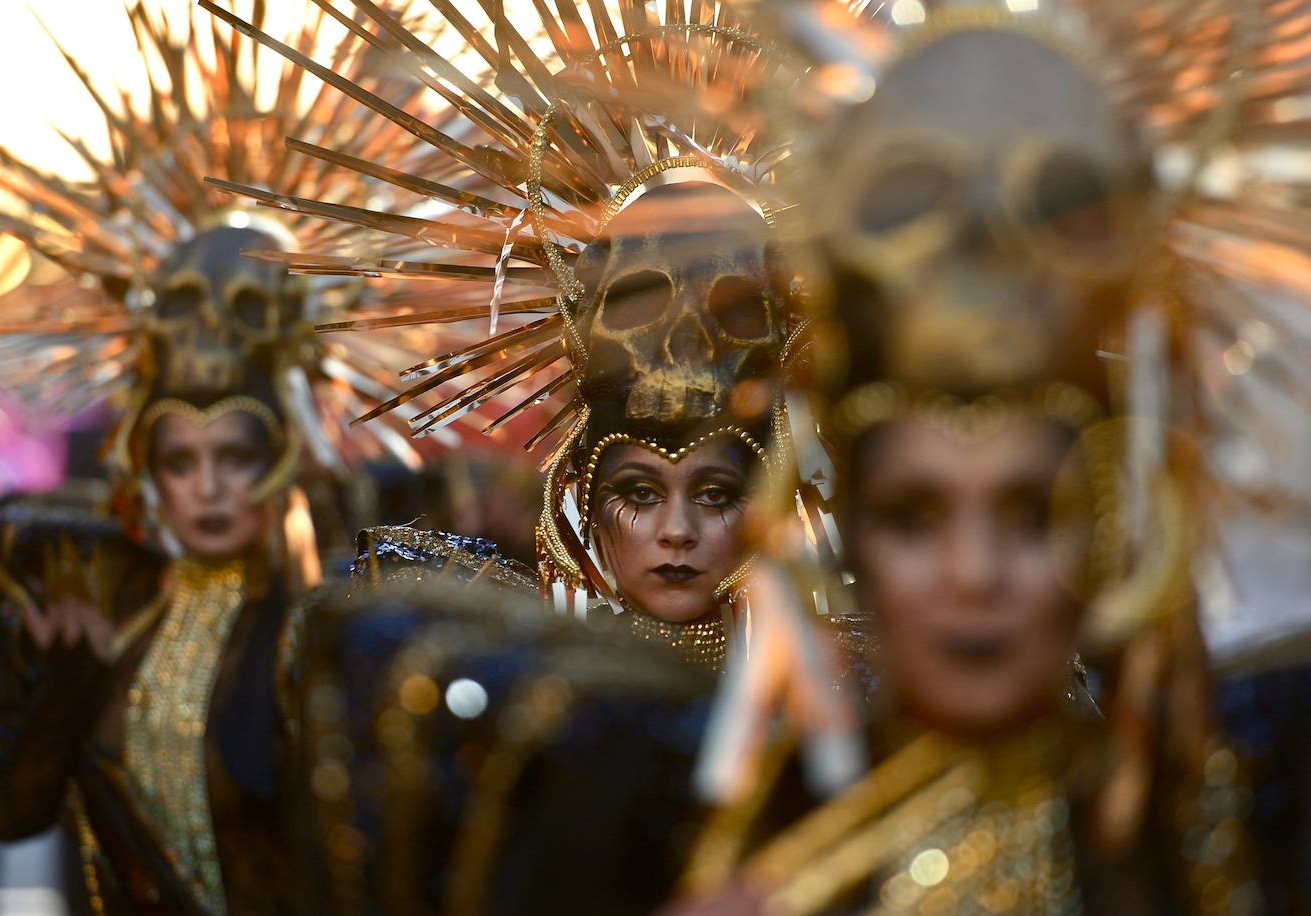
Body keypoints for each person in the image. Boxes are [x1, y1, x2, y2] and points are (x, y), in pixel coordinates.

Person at [672, 2, 1273, 912]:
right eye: (915, 515)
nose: (974, 576)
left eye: (1032, 514)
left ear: (1115, 537)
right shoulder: (672, 835)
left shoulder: (1234, 844)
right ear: (852, 541)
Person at [0, 5, 452, 911]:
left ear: (292, 440)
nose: (209, 488)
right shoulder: (112, 601)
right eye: (180, 460)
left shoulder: (349, 624)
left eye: (236, 453)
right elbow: (12, 813)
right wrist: (66, 690)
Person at [202, 0, 828, 671]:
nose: (677, 533)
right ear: (583, 491)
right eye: (640, 493)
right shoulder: (484, 663)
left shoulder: (855, 683)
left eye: (716, 495)